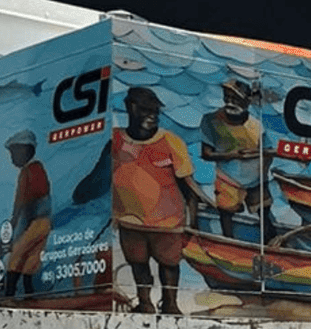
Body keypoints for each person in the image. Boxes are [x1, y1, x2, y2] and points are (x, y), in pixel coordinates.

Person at [111, 86, 209, 315]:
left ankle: (171, 303)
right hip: (129, 220)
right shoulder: (116, 139)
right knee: (138, 263)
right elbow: (100, 174)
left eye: (155, 111)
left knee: (169, 264)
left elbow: (189, 187)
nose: (152, 116)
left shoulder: (170, 142)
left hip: (167, 221)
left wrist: (193, 223)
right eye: (146, 110)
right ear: (130, 108)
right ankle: (145, 301)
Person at [198, 79, 267, 240]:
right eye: (227, 97)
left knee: (265, 214)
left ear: (247, 101)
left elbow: (266, 152)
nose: (230, 102)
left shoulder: (257, 125)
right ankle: (229, 246)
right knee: (226, 216)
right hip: (227, 178)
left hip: (256, 180)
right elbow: (206, 153)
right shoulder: (211, 120)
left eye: (235, 98)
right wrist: (232, 155)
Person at [3, 129, 51, 298]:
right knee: (31, 258)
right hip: (44, 222)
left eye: (14, 152)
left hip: (34, 222)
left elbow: (23, 202)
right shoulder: (38, 168)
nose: (12, 157)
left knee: (16, 257)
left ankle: (9, 295)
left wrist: (17, 224)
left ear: (26, 151)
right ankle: (29, 294)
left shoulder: (29, 171)